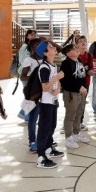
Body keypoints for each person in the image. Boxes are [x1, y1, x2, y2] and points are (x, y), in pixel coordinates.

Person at [36, 41, 65, 169]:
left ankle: (48, 149)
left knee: (51, 126)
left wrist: (58, 87)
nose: (54, 47)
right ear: (45, 53)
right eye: (50, 47)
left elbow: (55, 83)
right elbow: (45, 88)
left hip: (53, 101)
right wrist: (57, 78)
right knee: (44, 129)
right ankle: (41, 158)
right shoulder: (44, 68)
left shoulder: (52, 65)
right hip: (45, 103)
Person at [59, 44, 91, 149]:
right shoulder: (66, 64)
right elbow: (65, 80)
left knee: (79, 113)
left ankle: (76, 134)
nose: (77, 49)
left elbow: (82, 76)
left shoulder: (79, 61)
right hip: (71, 93)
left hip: (81, 92)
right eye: (73, 49)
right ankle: (68, 137)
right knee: (70, 115)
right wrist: (79, 87)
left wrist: (84, 88)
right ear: (68, 53)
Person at [20, 38, 42, 152]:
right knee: (33, 119)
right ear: (32, 47)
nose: (40, 48)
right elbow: (22, 76)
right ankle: (32, 141)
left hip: (46, 94)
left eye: (41, 45)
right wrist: (36, 80)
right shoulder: (29, 60)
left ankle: (44, 139)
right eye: (37, 46)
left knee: (45, 118)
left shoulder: (46, 59)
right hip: (35, 94)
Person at [16, 29, 37, 122]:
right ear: (27, 36)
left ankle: (22, 113)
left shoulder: (31, 46)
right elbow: (24, 61)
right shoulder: (25, 47)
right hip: (26, 75)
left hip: (30, 75)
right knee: (29, 96)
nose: (33, 36)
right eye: (31, 35)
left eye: (34, 35)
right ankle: (27, 118)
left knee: (30, 95)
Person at [76, 36, 93, 130]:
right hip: (75, 83)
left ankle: (80, 121)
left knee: (82, 103)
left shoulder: (89, 56)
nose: (83, 43)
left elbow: (91, 68)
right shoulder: (74, 55)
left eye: (85, 41)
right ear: (77, 45)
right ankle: (69, 123)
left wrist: (91, 72)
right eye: (81, 41)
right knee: (74, 103)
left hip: (86, 82)